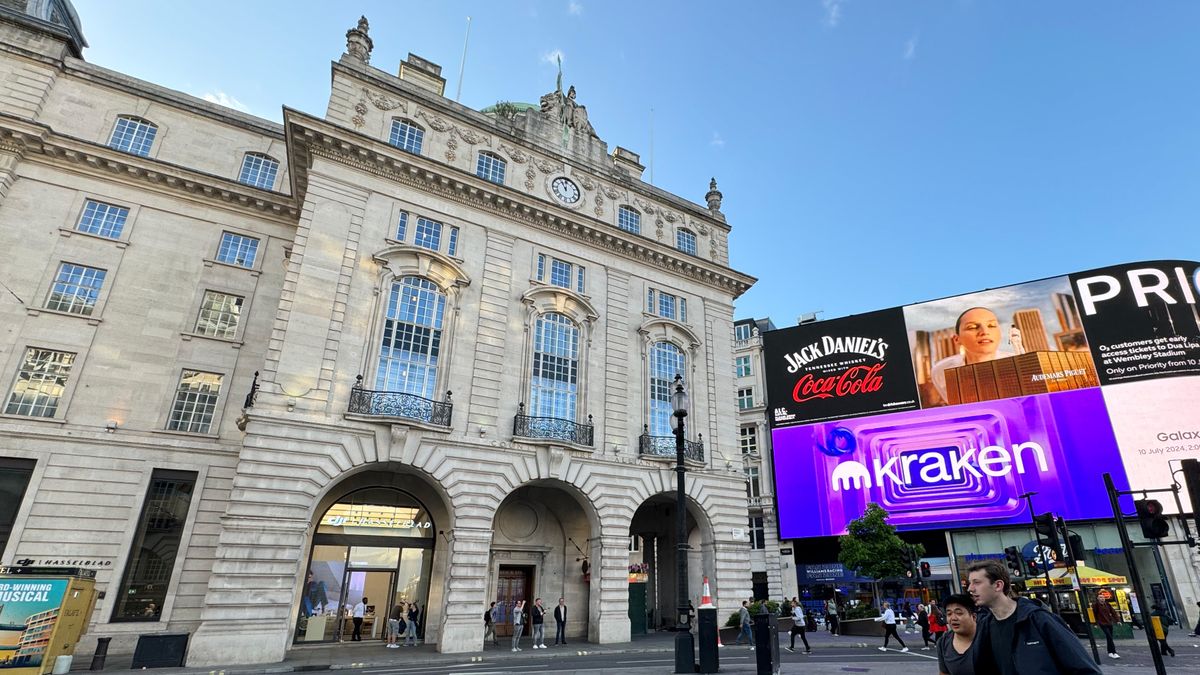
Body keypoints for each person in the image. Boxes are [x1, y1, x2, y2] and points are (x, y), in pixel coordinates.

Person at [967, 560, 1100, 674]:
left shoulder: (1039, 619)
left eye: (976, 582)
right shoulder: (985, 626)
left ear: (998, 585)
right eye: (970, 583)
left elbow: (1084, 668)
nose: (970, 589)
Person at [930, 307, 1014, 404]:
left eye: (991, 325)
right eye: (972, 327)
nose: (985, 332)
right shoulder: (941, 371)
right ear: (957, 339)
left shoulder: (1021, 364)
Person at [938, 594, 979, 675]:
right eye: (949, 614)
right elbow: (944, 673)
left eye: (959, 613)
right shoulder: (943, 642)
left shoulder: (988, 636)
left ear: (973, 617)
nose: (953, 618)